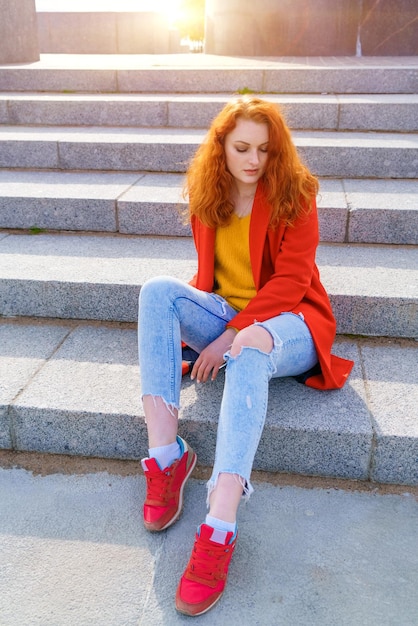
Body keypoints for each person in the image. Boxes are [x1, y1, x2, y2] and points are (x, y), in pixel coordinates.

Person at [138, 96, 354, 617]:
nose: (253, 160)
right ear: (221, 148)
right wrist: (199, 327)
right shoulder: (208, 193)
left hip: (293, 323)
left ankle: (220, 525)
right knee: (156, 291)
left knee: (252, 346)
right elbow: (209, 279)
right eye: (241, 148)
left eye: (264, 148)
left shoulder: (296, 194)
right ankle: (167, 459)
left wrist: (230, 336)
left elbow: (291, 281)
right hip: (230, 312)